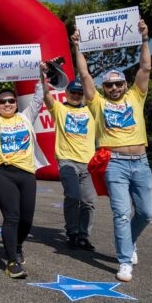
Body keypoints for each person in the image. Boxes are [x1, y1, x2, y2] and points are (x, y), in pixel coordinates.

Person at [72, 20, 152, 283]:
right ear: (104, 89)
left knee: (145, 213)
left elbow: (145, 67)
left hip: (141, 162)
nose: (115, 88)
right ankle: (124, 260)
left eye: (118, 84)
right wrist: (78, 47)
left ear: (125, 84)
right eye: (110, 85)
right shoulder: (98, 103)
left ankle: (130, 242)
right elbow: (84, 76)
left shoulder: (135, 96)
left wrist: (144, 39)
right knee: (120, 212)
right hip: (115, 163)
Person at [0, 63, 48, 279]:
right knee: (12, 217)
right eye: (2, 101)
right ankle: (11, 262)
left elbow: (39, 96)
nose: (7, 104)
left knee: (27, 220)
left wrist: (41, 75)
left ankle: (17, 245)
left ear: (16, 104)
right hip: (3, 173)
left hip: (26, 173)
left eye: (11, 101)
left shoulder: (26, 117)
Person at [42, 76, 97, 251]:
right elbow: (45, 94)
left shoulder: (91, 110)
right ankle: (72, 232)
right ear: (66, 93)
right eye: (73, 91)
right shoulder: (59, 109)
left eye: (80, 92)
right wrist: (41, 76)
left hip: (89, 163)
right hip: (67, 161)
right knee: (73, 196)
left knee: (88, 202)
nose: (76, 95)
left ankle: (83, 235)